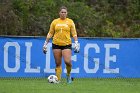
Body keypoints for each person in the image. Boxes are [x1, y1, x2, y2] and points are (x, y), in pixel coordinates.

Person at [43, 6, 79, 84]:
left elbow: (74, 33)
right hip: (56, 44)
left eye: (65, 12)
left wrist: (76, 42)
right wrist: (45, 43)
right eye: (62, 12)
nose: (63, 13)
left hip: (66, 44)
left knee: (67, 62)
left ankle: (68, 75)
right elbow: (50, 33)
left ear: (67, 13)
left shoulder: (70, 22)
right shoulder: (55, 22)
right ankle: (58, 80)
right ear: (59, 13)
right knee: (58, 63)